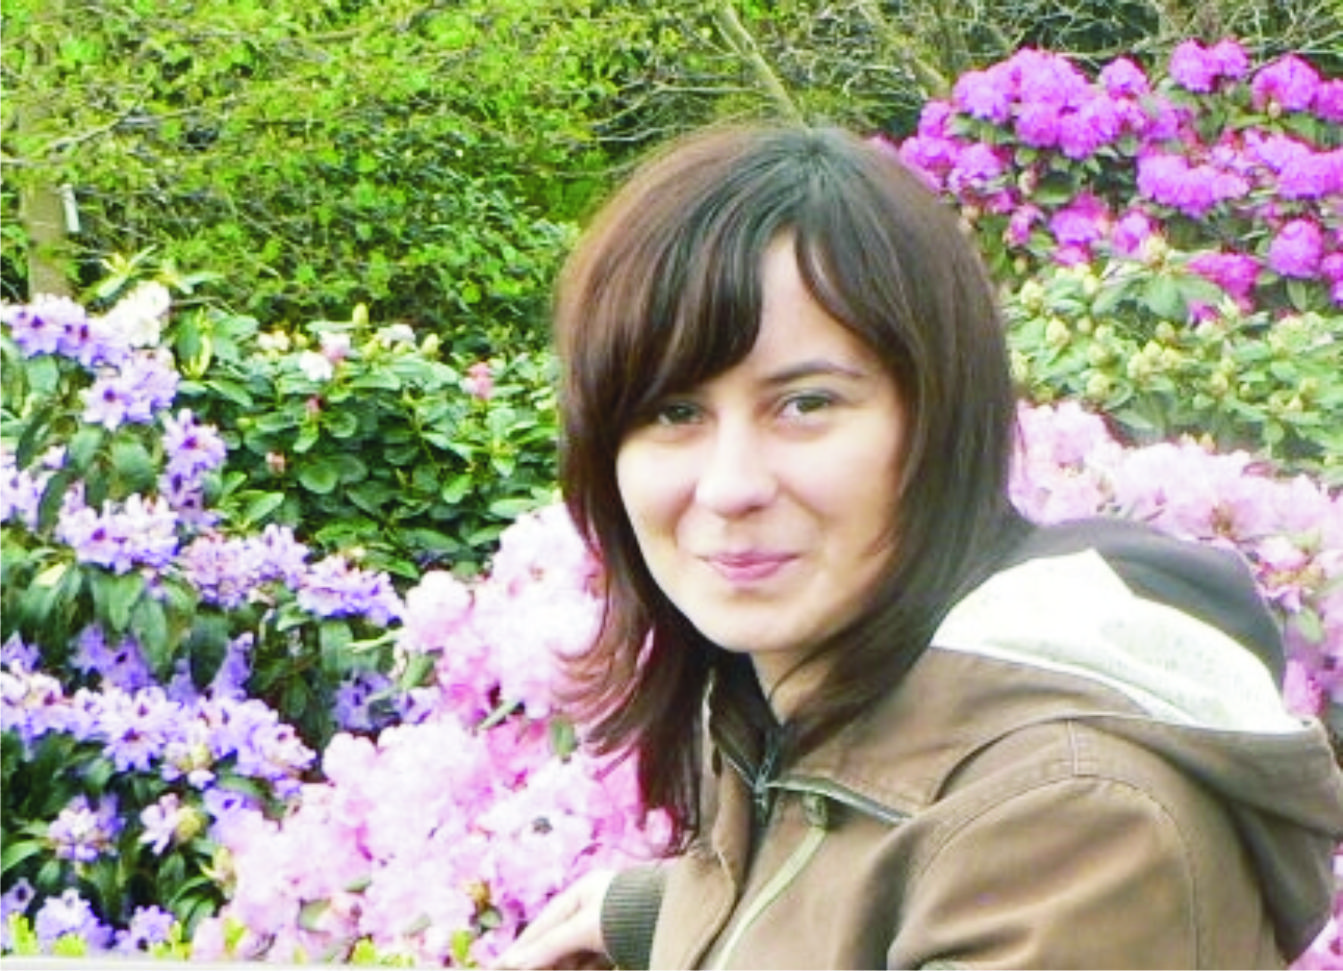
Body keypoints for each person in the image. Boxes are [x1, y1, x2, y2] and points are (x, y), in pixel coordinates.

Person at [495, 124, 1343, 969]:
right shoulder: (809, 695)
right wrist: (672, 915)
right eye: (673, 412)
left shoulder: (1067, 824)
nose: (728, 485)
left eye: (805, 404)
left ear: (938, 418)